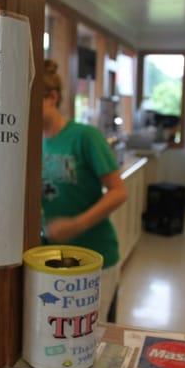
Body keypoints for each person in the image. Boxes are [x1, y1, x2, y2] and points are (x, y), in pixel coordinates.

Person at [41, 59, 127, 322]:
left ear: (52, 97)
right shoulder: (33, 142)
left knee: (91, 336)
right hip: (52, 256)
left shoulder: (84, 137)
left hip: (95, 254)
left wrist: (77, 224)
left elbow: (118, 191)